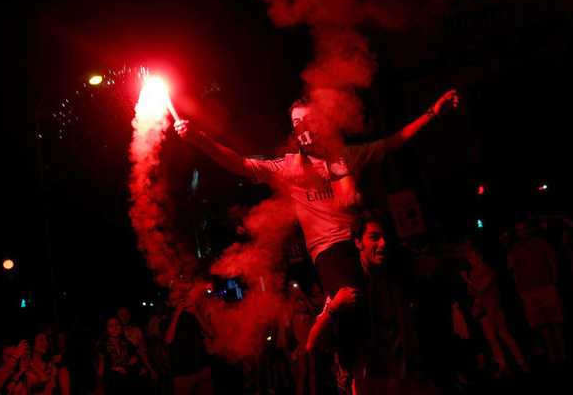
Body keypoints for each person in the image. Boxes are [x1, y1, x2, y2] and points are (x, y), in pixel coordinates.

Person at [175, 90, 458, 391]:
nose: (302, 126)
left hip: (365, 240)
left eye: (308, 119)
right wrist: (199, 139)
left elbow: (392, 143)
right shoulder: (288, 168)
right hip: (330, 249)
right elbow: (241, 165)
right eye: (296, 121)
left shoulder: (344, 156)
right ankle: (344, 362)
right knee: (349, 300)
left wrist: (432, 113)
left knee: (435, 271)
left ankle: (443, 357)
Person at [306, 210, 437, 395]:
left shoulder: (397, 279)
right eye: (374, 237)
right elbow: (312, 345)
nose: (382, 244)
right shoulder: (347, 286)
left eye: (386, 237)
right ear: (358, 243)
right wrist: (334, 308)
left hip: (409, 379)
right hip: (370, 383)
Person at [461, 247, 530, 377]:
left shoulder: (487, 270)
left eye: (472, 257)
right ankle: (503, 365)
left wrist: (467, 280)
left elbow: (481, 289)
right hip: (483, 310)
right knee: (491, 339)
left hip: (494, 309)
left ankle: (521, 362)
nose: (469, 260)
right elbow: (471, 292)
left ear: (479, 258)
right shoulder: (473, 272)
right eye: (468, 258)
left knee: (505, 336)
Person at [507, 220, 566, 363]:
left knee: (555, 321)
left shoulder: (541, 243)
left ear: (529, 229)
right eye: (520, 230)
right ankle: (551, 351)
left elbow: (552, 262)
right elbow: (514, 268)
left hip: (545, 287)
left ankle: (563, 351)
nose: (523, 232)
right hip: (528, 292)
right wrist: (519, 288)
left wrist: (553, 282)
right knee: (542, 324)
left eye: (525, 229)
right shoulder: (515, 248)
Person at [159, 289, 214, 395]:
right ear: (168, 303)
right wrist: (177, 315)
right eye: (173, 299)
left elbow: (210, 333)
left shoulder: (193, 315)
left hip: (202, 369)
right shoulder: (164, 322)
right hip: (181, 374)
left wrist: (196, 313)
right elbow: (168, 340)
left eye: (179, 298)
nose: (178, 301)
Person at [95, 317, 146, 395]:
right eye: (111, 326)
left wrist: (125, 369)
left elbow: (137, 365)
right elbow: (100, 371)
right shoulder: (102, 347)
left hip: (129, 384)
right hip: (111, 386)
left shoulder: (128, 344)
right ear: (106, 330)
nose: (115, 328)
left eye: (117, 324)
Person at [116, 307, 158, 387]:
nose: (124, 317)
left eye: (126, 314)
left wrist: (151, 370)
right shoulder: (115, 334)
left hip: (139, 370)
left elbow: (142, 352)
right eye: (121, 315)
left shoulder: (137, 330)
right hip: (123, 374)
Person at [26, 331, 70, 395]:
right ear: (32, 342)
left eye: (46, 340)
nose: (46, 343)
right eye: (41, 340)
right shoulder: (27, 369)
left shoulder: (53, 363)